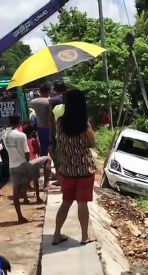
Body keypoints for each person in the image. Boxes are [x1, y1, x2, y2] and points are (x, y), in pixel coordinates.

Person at [51, 89, 97, 246]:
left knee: (66, 202)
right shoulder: (85, 124)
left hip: (67, 171)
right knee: (82, 204)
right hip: (84, 170)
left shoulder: (60, 123)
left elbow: (58, 143)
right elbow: (92, 143)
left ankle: (56, 234)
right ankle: (84, 236)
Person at [4, 115, 49, 224]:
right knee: (47, 159)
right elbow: (27, 153)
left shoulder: (5, 135)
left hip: (12, 166)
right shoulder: (21, 135)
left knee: (15, 191)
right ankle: (47, 183)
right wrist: (28, 166)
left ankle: (20, 217)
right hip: (22, 164)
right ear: (19, 122)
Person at [27, 84, 52, 158]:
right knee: (54, 147)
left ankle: (43, 164)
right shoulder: (50, 101)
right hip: (51, 127)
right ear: (48, 92)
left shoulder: (33, 102)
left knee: (43, 148)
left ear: (39, 92)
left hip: (40, 127)